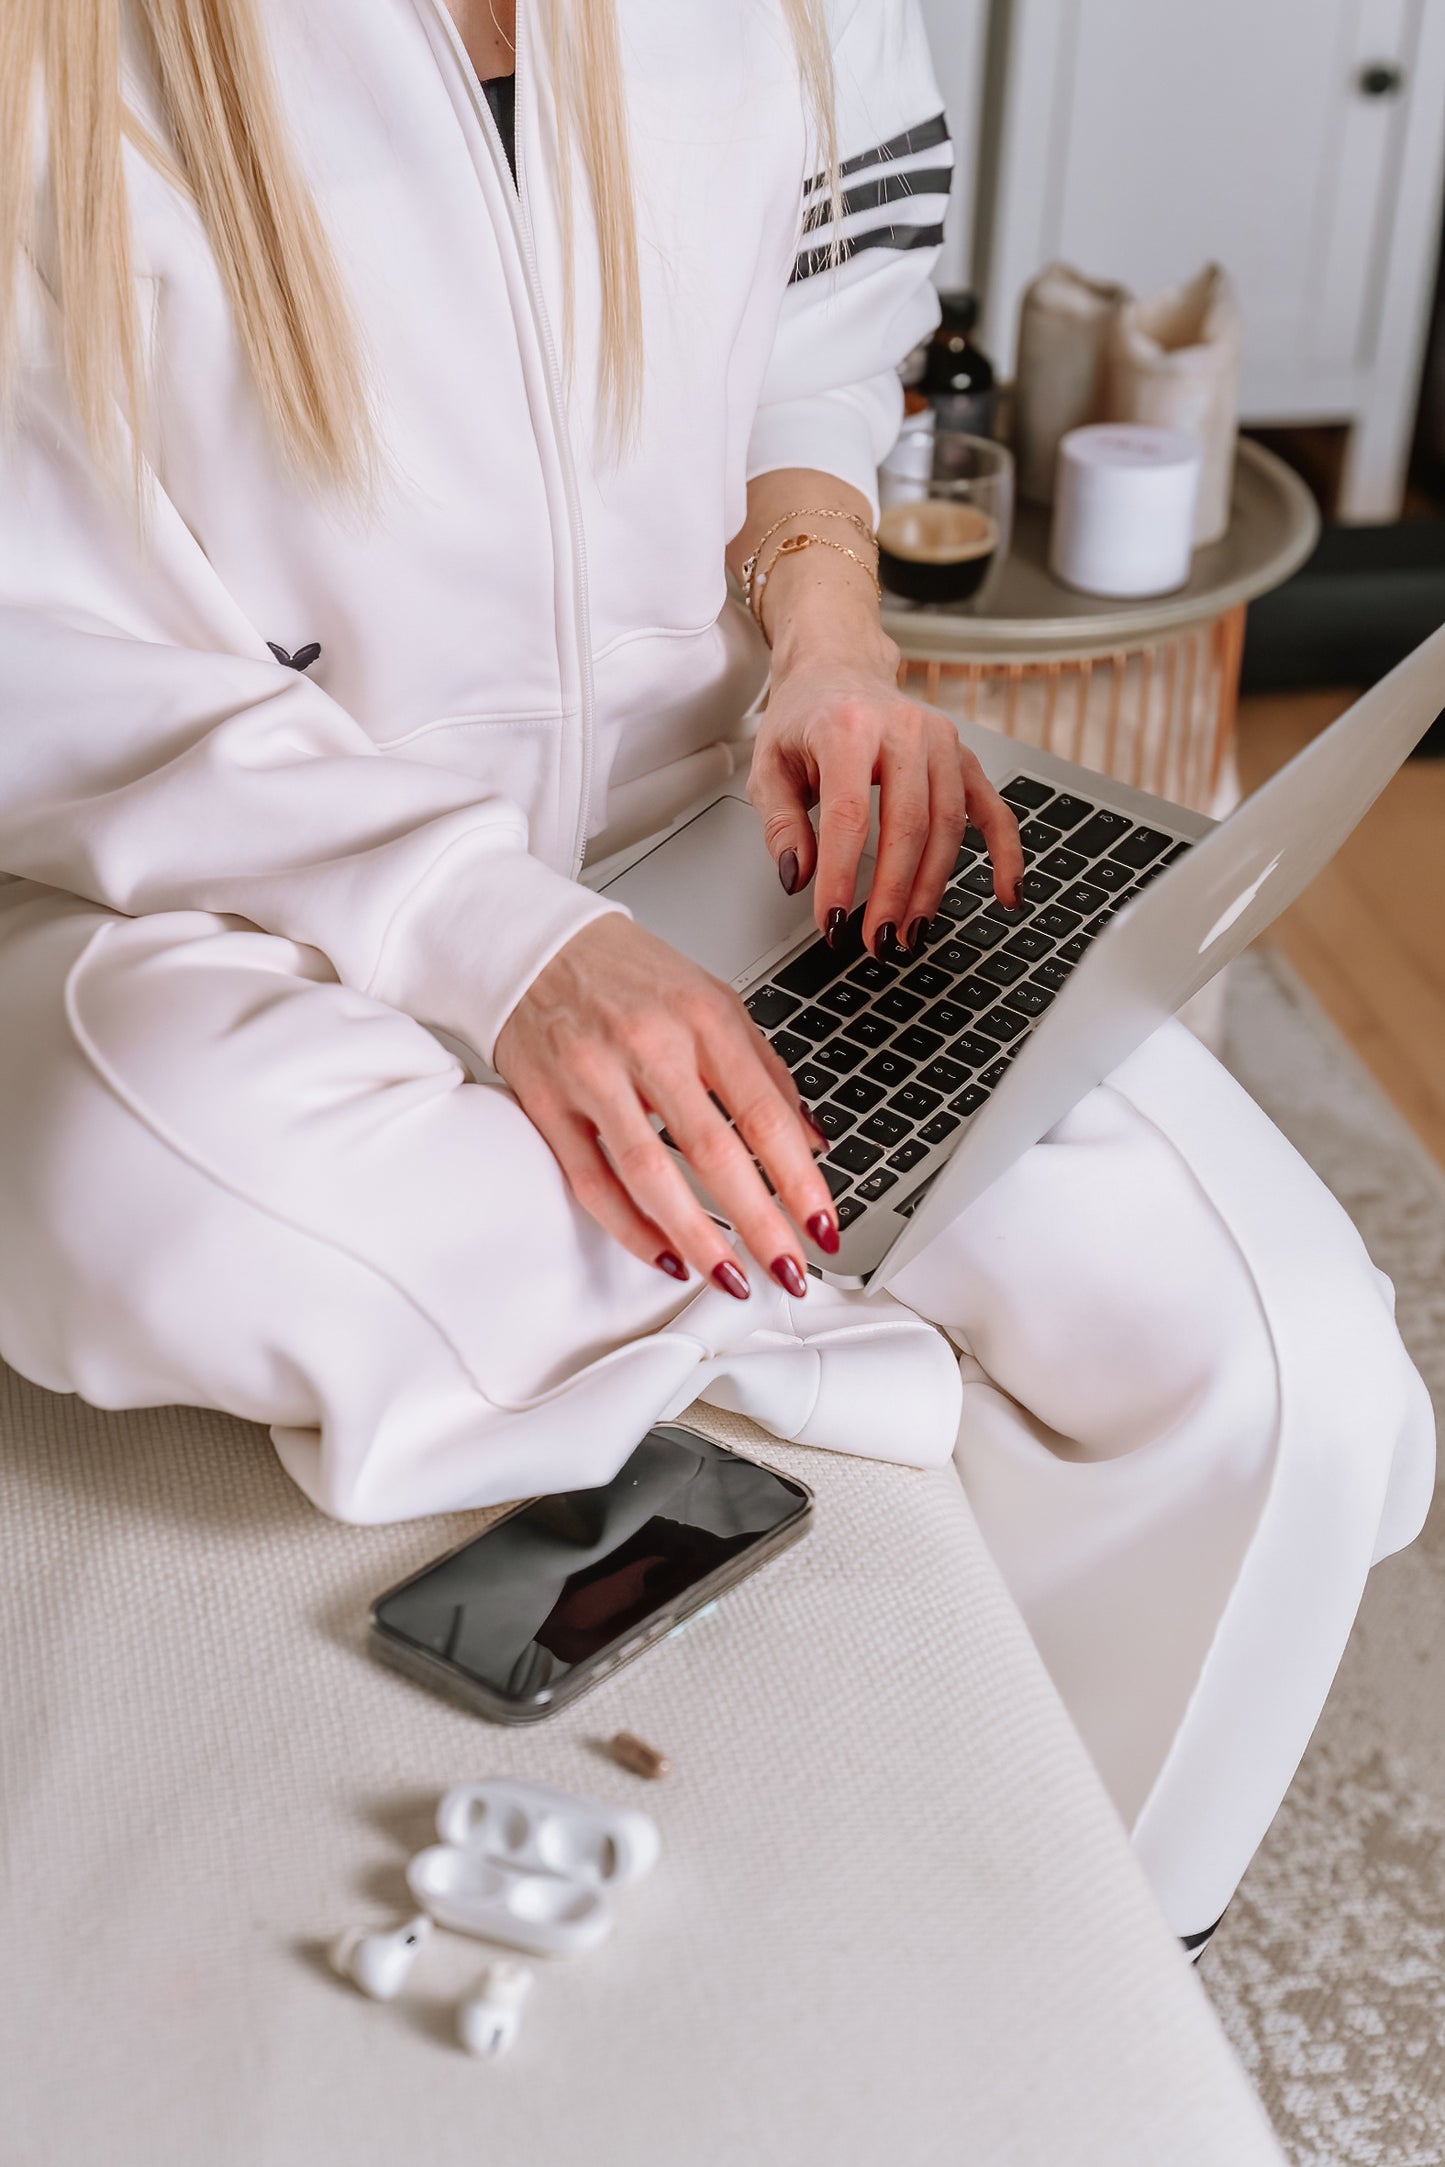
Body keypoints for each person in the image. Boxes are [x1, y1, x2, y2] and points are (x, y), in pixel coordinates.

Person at [0, 0, 1432, 1946]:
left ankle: (1068, 1968)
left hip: (711, 831)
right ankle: (852, 1348)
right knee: (124, 1172)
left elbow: (827, 314)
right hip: (240, 877)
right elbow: (34, 645)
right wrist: (505, 946)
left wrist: (830, 641)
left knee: (1302, 1381)